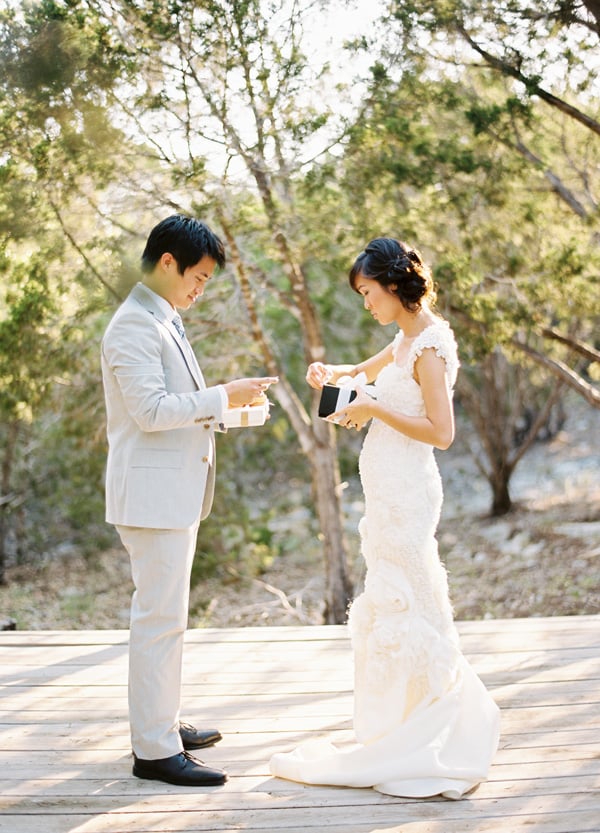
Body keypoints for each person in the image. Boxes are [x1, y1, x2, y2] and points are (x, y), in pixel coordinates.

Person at [269, 237, 499, 799]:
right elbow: (358, 371)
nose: (366, 304)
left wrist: (371, 407)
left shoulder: (430, 348)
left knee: (415, 599)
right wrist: (331, 375)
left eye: (369, 292)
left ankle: (441, 727)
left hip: (409, 493)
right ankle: (405, 724)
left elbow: (442, 434)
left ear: (396, 285)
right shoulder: (403, 339)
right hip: (386, 490)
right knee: (396, 599)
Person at [101, 214, 277, 787]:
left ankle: (164, 723)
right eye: (198, 277)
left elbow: (182, 406)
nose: (201, 290)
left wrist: (230, 410)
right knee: (158, 621)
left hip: (170, 493)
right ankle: (153, 750)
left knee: (168, 620)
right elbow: (151, 412)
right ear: (168, 262)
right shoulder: (133, 325)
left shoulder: (163, 317)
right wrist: (221, 396)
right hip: (150, 498)